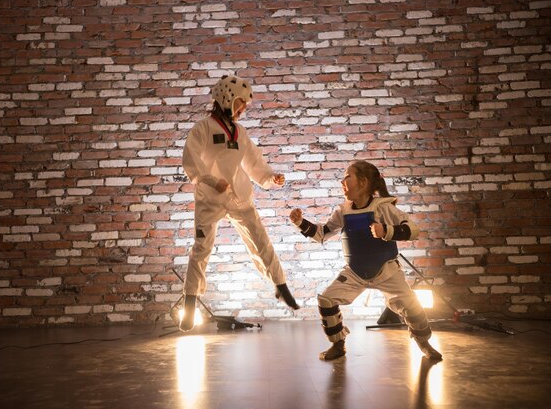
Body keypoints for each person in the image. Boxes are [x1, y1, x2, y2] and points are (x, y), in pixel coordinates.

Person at [179, 75, 299, 332]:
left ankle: (281, 286)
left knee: (260, 239)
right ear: (226, 99)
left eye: (244, 104)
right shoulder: (203, 128)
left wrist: (270, 177)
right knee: (201, 249)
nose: (243, 108)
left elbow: (254, 162)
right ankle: (190, 303)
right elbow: (191, 160)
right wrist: (212, 181)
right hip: (210, 199)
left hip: (239, 198)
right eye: (240, 103)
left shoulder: (239, 132)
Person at [289, 160, 442, 361]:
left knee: (412, 306)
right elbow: (322, 234)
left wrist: (386, 231)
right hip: (355, 272)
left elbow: (413, 230)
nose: (342, 181)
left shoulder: (384, 208)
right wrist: (301, 222)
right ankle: (338, 344)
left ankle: (424, 343)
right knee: (326, 300)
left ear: (362, 182)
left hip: (386, 270)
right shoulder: (343, 211)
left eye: (347, 176)